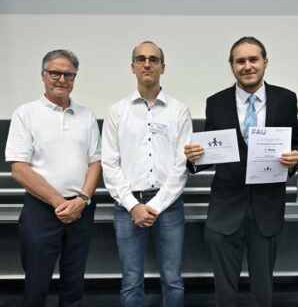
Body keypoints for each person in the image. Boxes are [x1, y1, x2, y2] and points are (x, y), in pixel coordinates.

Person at [184, 36, 298, 307]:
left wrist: (295, 158)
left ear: (265, 62)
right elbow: (212, 152)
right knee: (224, 290)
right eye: (240, 61)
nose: (247, 66)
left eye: (253, 59)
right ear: (231, 66)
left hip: (267, 206)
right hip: (225, 208)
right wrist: (194, 159)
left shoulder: (286, 99)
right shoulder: (216, 102)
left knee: (263, 289)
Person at [5, 49, 101, 307]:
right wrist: (60, 202)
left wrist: (81, 200)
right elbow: (19, 169)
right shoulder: (26, 114)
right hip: (42, 210)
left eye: (68, 74)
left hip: (80, 209)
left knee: (74, 281)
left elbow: (95, 162)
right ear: (43, 75)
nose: (61, 79)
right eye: (55, 73)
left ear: (74, 78)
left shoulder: (87, 115)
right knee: (36, 282)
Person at [101, 41, 192, 307]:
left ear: (163, 67)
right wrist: (134, 206)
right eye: (141, 59)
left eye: (153, 59)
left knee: (173, 279)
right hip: (128, 208)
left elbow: (181, 165)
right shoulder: (117, 112)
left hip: (169, 208)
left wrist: (153, 206)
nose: (147, 64)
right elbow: (110, 163)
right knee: (131, 281)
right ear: (133, 67)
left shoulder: (179, 111)